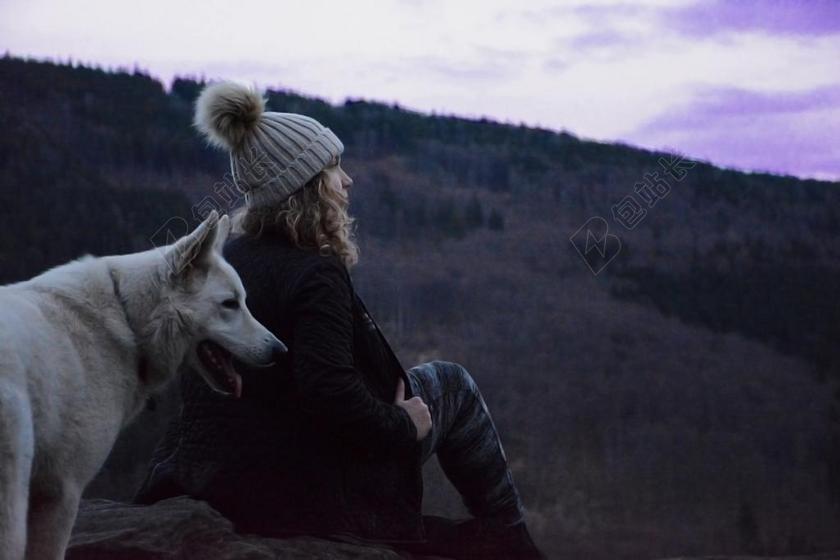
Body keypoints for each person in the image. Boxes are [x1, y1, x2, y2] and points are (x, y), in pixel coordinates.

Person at [134, 82, 544, 559]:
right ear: (306, 187)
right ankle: (513, 539)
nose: (346, 180)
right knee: (453, 384)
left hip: (224, 470)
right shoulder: (314, 273)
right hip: (308, 483)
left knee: (438, 384)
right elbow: (329, 392)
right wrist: (400, 423)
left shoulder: (226, 259)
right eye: (333, 168)